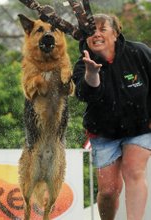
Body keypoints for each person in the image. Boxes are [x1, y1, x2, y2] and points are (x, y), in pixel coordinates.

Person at [72, 13, 151, 220]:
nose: (96, 34)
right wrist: (92, 73)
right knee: (108, 191)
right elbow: (85, 94)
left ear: (115, 33)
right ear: (86, 39)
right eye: (91, 31)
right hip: (103, 132)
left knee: (133, 171)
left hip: (140, 127)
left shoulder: (139, 52)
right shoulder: (82, 64)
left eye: (102, 29)